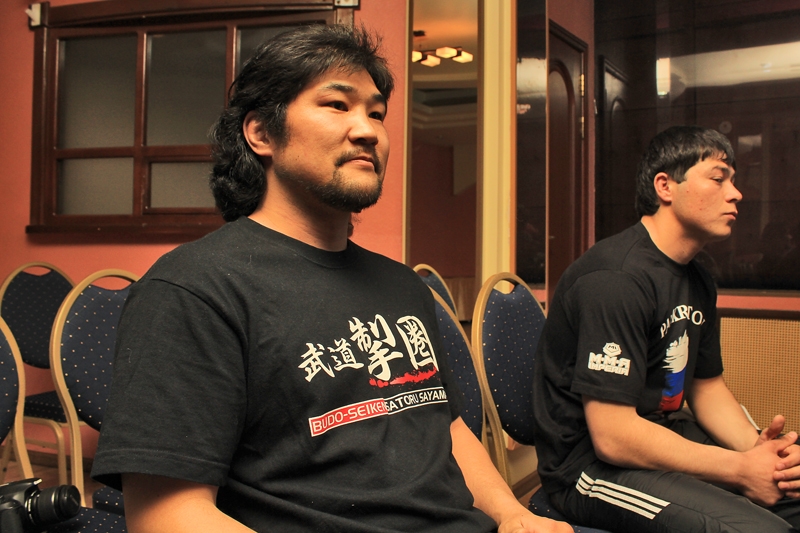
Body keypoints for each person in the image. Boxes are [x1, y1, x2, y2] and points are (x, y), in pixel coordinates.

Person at [90, 24, 570, 533]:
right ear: (261, 134)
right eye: (337, 105)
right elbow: (166, 515)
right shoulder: (195, 289)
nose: (368, 131)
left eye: (377, 113)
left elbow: (443, 426)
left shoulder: (402, 286)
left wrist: (514, 516)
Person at [532, 125, 800, 532]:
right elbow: (614, 436)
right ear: (665, 186)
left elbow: (706, 389)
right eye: (718, 178)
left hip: (662, 433)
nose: (736, 193)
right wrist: (739, 469)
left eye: (733, 180)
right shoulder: (615, 278)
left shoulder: (698, 278)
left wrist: (760, 453)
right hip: (588, 467)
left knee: (791, 491)